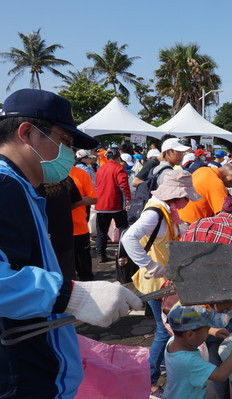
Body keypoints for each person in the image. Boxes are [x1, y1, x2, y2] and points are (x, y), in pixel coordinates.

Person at [0, 88, 142, 398]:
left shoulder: (23, 187)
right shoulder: (3, 186)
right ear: (27, 133)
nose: (69, 154)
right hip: (18, 377)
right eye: (64, 142)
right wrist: (71, 296)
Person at [121, 169, 201, 396]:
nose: (188, 202)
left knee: (164, 329)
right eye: (186, 198)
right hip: (155, 283)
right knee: (163, 331)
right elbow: (129, 238)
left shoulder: (166, 210)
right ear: (177, 196)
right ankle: (150, 379)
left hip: (163, 280)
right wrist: (153, 267)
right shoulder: (154, 214)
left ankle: (156, 369)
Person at [181, 196, 232, 398]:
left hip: (189, 297)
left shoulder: (198, 223)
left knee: (192, 348)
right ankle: (220, 392)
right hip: (219, 304)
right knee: (217, 350)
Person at [163, 305, 232, 399]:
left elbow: (193, 332)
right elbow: (221, 375)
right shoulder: (189, 361)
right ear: (190, 335)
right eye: (206, 330)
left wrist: (212, 331)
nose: (207, 334)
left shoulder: (172, 341)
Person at [94, 148, 131, 263]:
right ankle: (122, 253)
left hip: (101, 204)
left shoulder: (100, 169)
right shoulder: (119, 168)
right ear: (117, 158)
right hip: (116, 204)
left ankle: (101, 255)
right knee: (123, 228)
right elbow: (123, 185)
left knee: (101, 232)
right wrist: (128, 200)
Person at [70, 165, 98, 281]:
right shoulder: (44, 173)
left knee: (85, 272)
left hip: (79, 229)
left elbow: (93, 198)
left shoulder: (80, 173)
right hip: (55, 232)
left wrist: (74, 202)